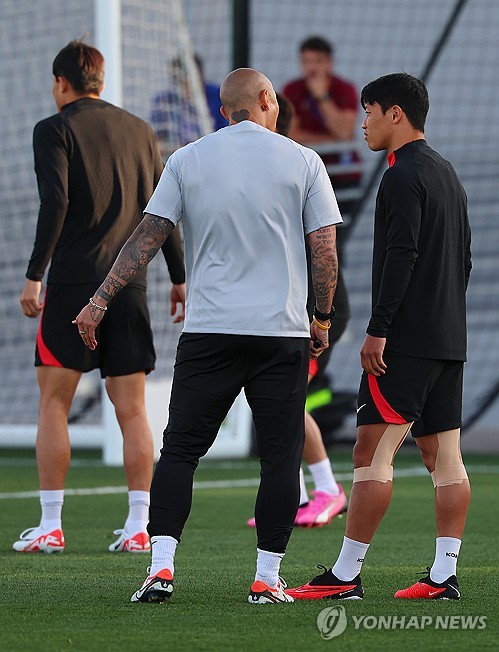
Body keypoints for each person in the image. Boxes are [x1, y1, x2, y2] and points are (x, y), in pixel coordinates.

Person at [73, 68, 342, 604]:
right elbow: (325, 251)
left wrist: (99, 299)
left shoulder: (187, 158)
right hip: (278, 333)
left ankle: (161, 568)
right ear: (269, 100)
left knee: (180, 452)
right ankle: (267, 579)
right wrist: (322, 318)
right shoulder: (303, 160)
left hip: (209, 331)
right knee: (280, 457)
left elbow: (146, 237)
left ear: (224, 111)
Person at [286, 73, 472, 601]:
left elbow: (402, 256)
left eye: (368, 111)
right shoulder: (448, 174)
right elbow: (465, 262)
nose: (363, 123)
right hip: (449, 342)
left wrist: (379, 329)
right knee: (444, 459)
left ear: (395, 114)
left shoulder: (400, 176)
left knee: (371, 452)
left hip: (407, 344)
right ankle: (443, 575)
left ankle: (345, 575)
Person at [13, 40, 186, 556]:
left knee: (54, 403)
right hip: (129, 286)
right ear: (102, 81)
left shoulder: (54, 128)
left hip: (72, 285)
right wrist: (179, 275)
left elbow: (56, 202)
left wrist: (33, 274)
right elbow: (162, 207)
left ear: (60, 83)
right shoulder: (139, 130)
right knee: (132, 409)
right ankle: (138, 526)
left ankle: (51, 524)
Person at [246, 93, 347, 529]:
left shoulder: (296, 165)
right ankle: (297, 495)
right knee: (274, 401)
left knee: (289, 401)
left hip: (312, 308)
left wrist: (319, 316)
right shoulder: (276, 165)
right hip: (287, 306)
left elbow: (323, 249)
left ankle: (328, 488)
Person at [283, 36, 360, 431]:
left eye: (316, 60)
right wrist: (319, 141)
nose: (310, 67)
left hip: (341, 194)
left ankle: (318, 345)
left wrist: (322, 101)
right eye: (305, 59)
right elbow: (291, 134)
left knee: (327, 270)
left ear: (327, 62)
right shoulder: (291, 93)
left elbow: (344, 130)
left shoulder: (342, 90)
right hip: (305, 198)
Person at [150, 54, 228, 160]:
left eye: (188, 79)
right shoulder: (164, 101)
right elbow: (158, 141)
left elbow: (227, 135)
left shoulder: (218, 96)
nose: (185, 85)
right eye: (179, 80)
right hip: (177, 159)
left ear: (201, 75)